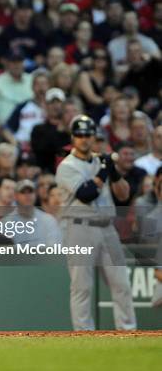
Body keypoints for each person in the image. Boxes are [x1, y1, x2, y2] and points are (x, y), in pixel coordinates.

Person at [55, 115, 136, 331]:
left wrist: (114, 172)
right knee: (82, 286)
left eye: (87, 134)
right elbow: (86, 193)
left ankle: (128, 331)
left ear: (94, 137)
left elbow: (124, 195)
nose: (84, 139)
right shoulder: (66, 166)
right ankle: (83, 334)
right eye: (79, 134)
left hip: (107, 228)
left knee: (122, 284)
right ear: (73, 137)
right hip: (79, 228)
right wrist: (103, 169)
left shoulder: (102, 162)